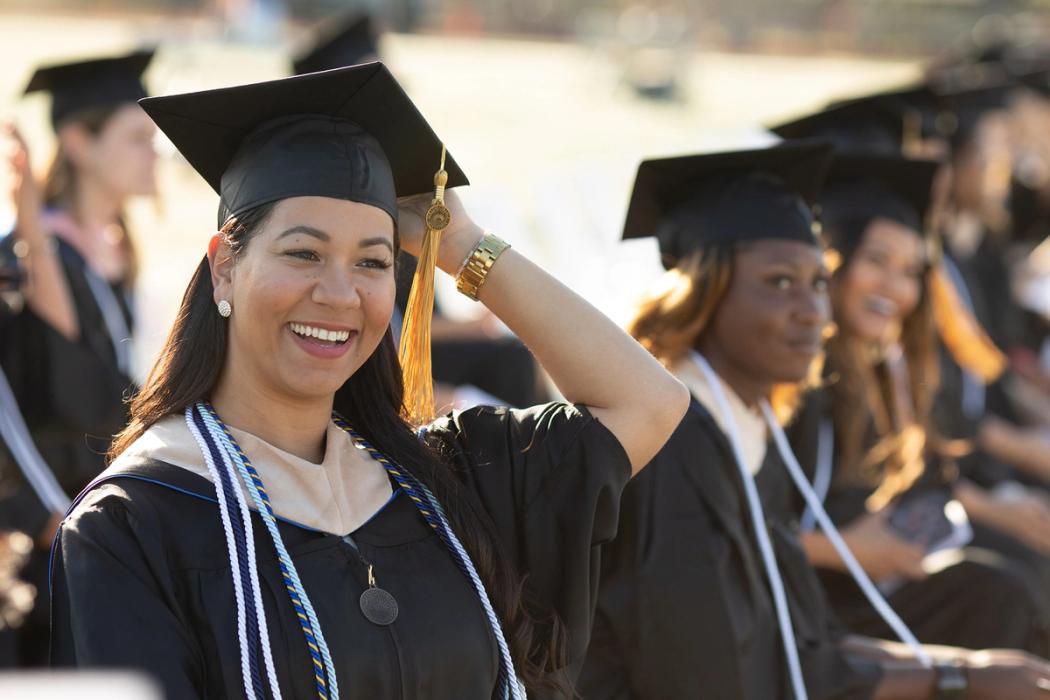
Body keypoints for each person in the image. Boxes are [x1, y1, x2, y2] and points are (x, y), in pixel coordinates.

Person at [49, 63, 689, 699]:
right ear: (223, 270)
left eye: (372, 262)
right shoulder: (135, 522)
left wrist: (460, 243)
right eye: (303, 253)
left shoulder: (446, 482)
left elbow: (648, 401)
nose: (339, 294)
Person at [579, 142, 1050, 699]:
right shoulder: (678, 442)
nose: (811, 311)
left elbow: (804, 636)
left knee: (997, 596)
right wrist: (956, 678)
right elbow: (733, 668)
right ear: (706, 290)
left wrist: (969, 670)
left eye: (816, 283)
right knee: (993, 596)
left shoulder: (760, 414)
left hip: (809, 634)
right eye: (780, 282)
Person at [791, 150, 1050, 655]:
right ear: (832, 258)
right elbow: (755, 524)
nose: (896, 286)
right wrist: (853, 550)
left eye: (911, 271)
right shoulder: (800, 377)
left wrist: (999, 507)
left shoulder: (885, 365)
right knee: (1000, 592)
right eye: (877, 261)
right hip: (818, 596)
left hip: (881, 569)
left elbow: (923, 478)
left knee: (1013, 574)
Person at [0, 48, 157, 666]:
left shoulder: (115, 258)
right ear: (80, 142)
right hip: (53, 532)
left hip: (102, 516)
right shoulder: (30, 258)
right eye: (138, 136)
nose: (156, 152)